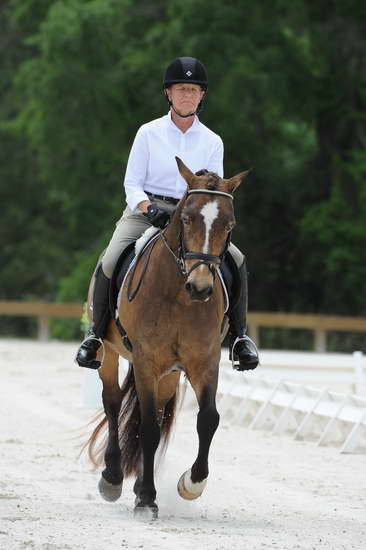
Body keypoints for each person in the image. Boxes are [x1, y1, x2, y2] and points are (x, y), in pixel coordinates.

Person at [76, 56, 259, 371]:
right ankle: (95, 335)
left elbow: (214, 190)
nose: (187, 94)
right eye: (181, 89)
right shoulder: (148, 133)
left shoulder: (213, 141)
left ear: (201, 96)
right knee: (111, 257)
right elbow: (131, 183)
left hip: (194, 218)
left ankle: (240, 338)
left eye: (193, 89)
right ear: (168, 94)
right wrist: (149, 208)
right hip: (146, 210)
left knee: (237, 259)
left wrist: (192, 215)